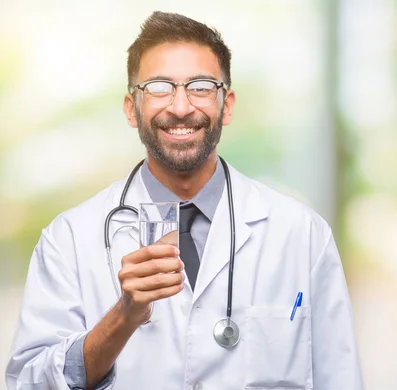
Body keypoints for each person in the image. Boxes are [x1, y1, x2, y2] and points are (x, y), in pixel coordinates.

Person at [5, 10, 363, 390]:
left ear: (226, 105)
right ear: (132, 108)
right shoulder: (69, 240)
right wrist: (122, 318)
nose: (180, 107)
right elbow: (29, 383)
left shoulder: (301, 235)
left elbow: (340, 378)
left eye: (201, 87)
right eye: (159, 87)